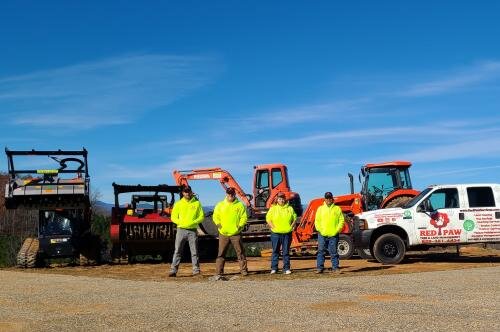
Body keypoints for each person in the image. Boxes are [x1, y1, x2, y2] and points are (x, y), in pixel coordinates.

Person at [212, 187, 248, 280]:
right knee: (221, 253)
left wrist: (240, 226)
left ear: (234, 194)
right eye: (229, 193)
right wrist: (219, 225)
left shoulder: (240, 205)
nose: (230, 195)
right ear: (226, 194)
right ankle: (219, 272)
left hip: (236, 233)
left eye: (232, 194)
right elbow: (215, 216)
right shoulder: (220, 205)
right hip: (223, 233)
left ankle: (243, 270)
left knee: (240, 253)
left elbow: (244, 217)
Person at [168, 185, 205, 277]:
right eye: (185, 191)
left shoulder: (197, 203)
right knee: (177, 251)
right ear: (183, 193)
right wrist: (180, 222)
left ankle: (196, 271)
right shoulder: (178, 204)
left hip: (192, 230)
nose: (187, 193)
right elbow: (173, 217)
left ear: (191, 192)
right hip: (181, 230)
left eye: (188, 191)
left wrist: (193, 222)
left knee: (194, 251)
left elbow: (201, 216)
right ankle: (173, 271)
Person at [266, 192, 297, 275]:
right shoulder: (273, 208)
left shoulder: (290, 208)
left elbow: (295, 218)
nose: (281, 200)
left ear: (285, 199)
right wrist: (273, 227)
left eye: (283, 199)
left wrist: (292, 226)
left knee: (286, 251)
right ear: (277, 200)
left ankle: (286, 268)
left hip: (287, 233)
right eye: (280, 199)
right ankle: (274, 268)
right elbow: (268, 219)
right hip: (276, 234)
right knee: (275, 251)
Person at [314, 191, 345, 273]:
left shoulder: (337, 208)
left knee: (334, 252)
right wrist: (320, 230)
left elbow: (341, 220)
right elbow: (317, 221)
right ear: (325, 199)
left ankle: (335, 268)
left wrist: (337, 230)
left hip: (333, 234)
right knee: (321, 251)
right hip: (322, 234)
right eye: (327, 198)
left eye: (330, 198)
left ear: (332, 199)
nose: (328, 199)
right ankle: (320, 268)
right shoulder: (320, 209)